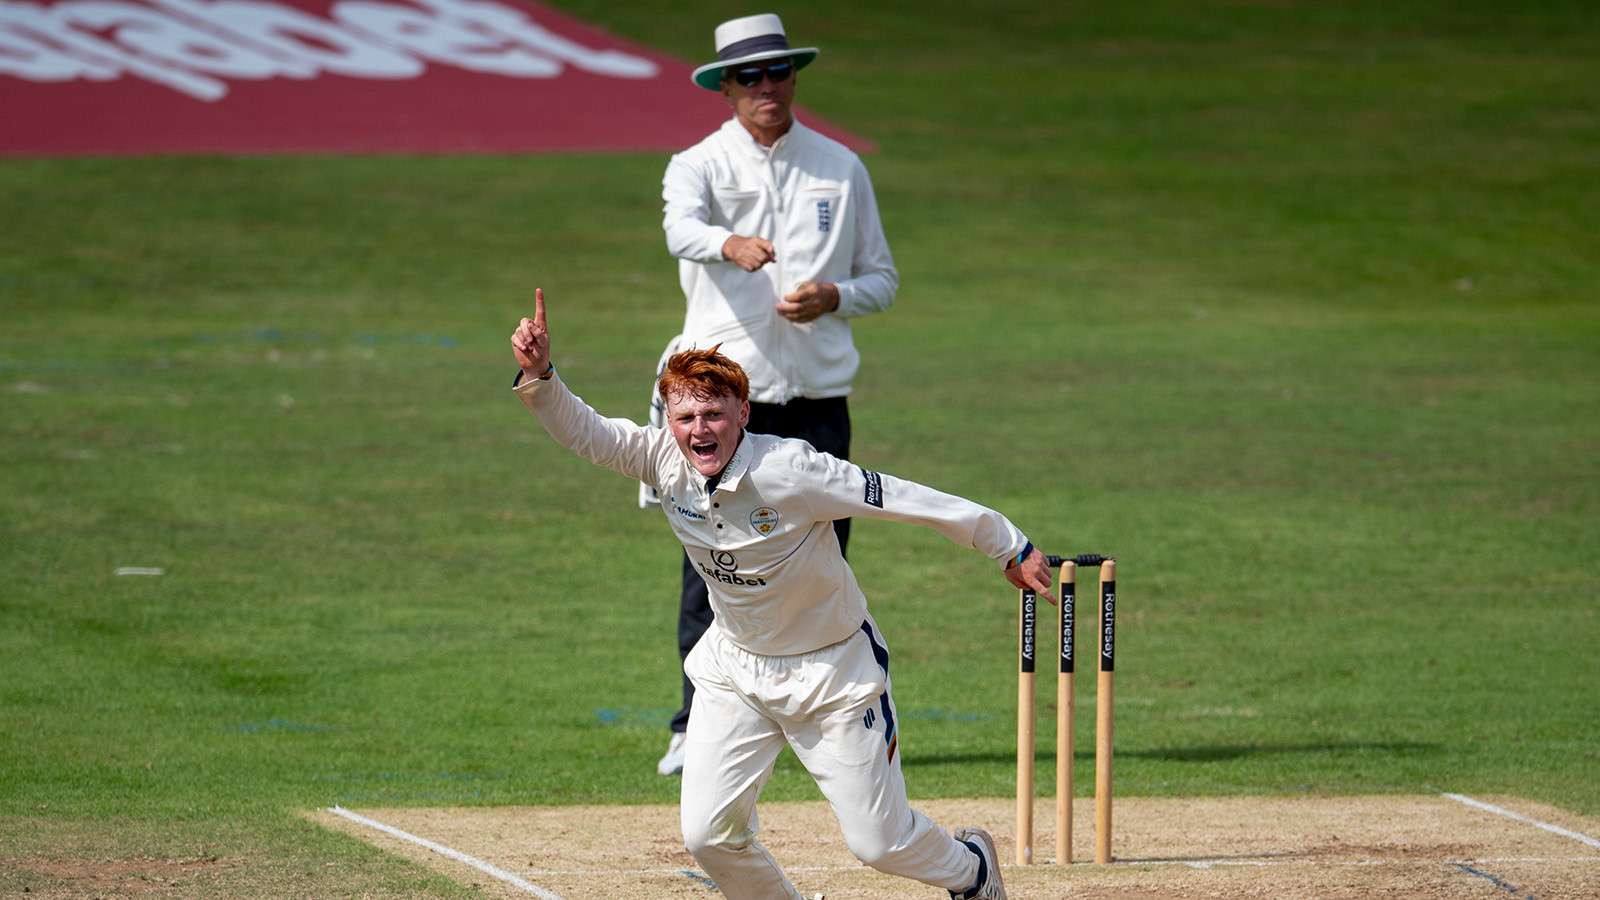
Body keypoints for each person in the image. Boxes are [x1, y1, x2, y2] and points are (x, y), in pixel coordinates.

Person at [512, 289, 1043, 900]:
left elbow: (900, 497)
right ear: (669, 421)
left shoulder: (792, 470)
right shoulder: (661, 458)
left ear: (743, 413)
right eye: (685, 418)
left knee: (879, 843)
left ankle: (972, 870)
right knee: (709, 835)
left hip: (832, 671)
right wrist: (540, 374)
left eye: (713, 414)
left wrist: (1006, 544)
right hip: (735, 668)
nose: (698, 430)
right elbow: (586, 432)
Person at [655, 12, 900, 776]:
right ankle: (695, 725)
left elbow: (882, 279)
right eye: (749, 77)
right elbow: (678, 231)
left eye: (779, 72)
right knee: (717, 560)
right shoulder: (697, 163)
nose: (767, 87)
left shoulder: (840, 165)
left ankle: (827, 717)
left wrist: (835, 296)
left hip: (819, 391)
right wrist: (729, 243)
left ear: (795, 77)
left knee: (825, 559)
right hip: (727, 402)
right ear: (725, 87)